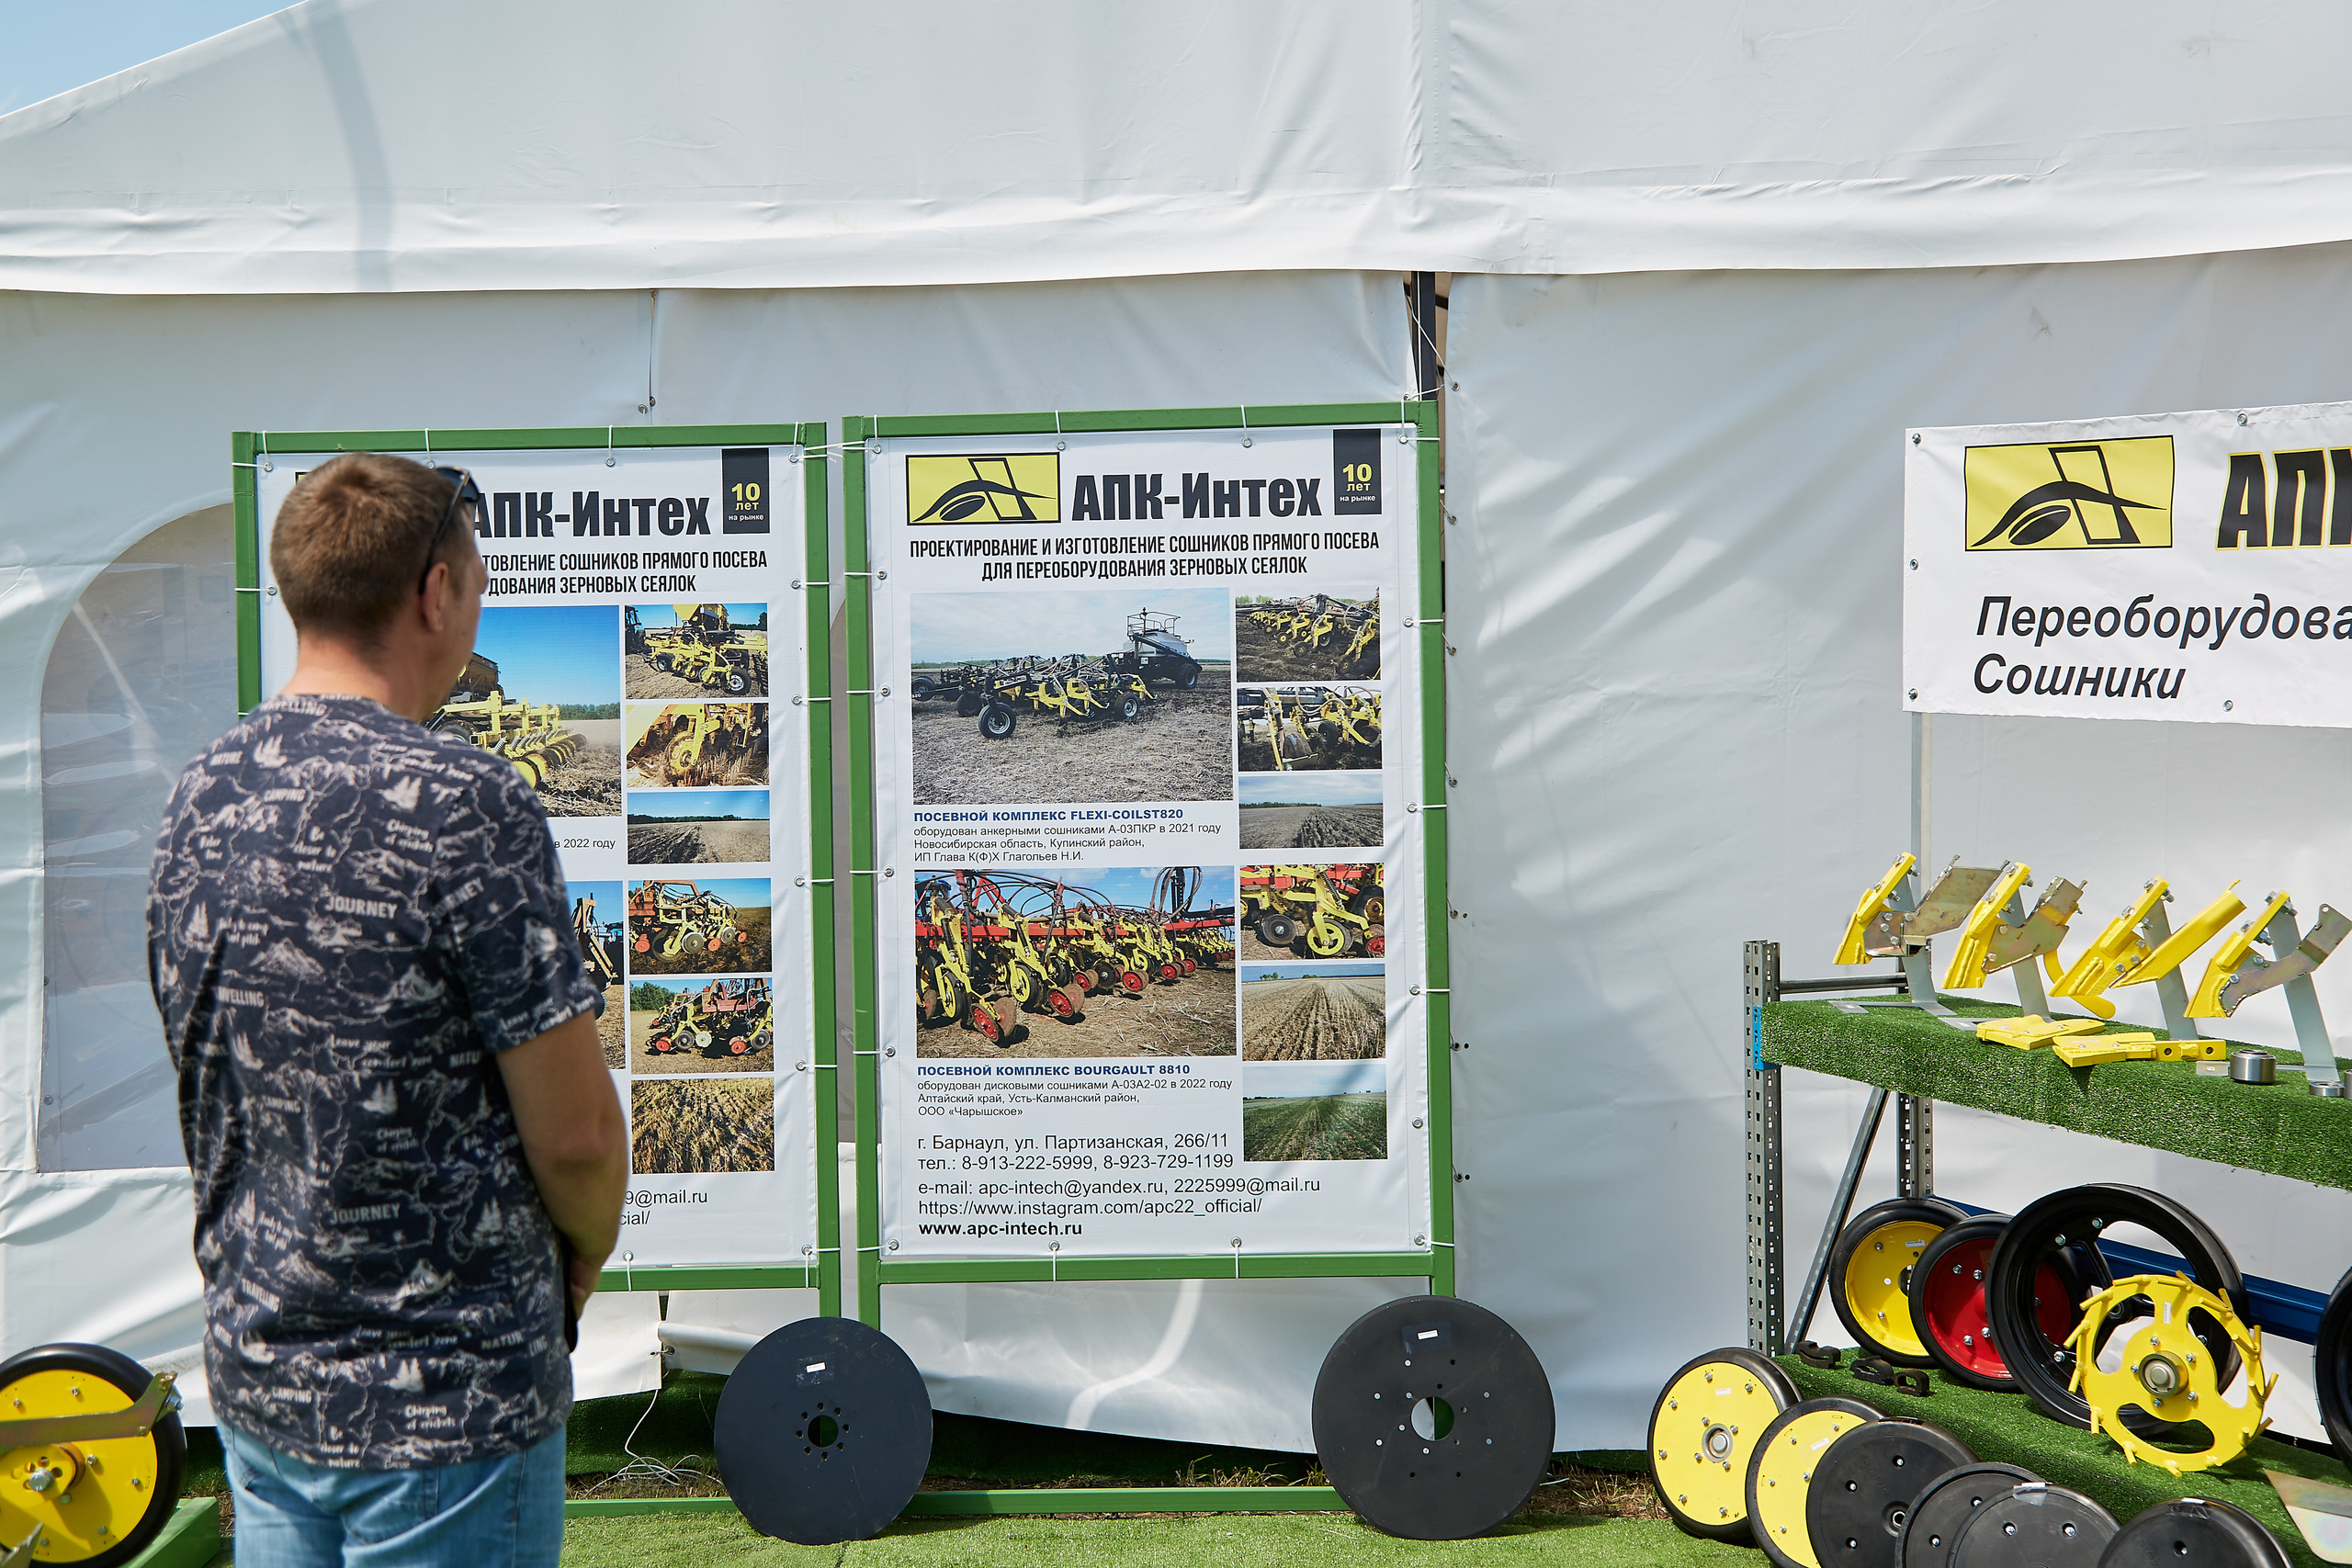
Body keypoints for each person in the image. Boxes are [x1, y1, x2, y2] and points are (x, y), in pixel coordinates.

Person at [146, 455, 628, 1567]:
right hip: (448, 1398)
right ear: (435, 592)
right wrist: (585, 1252)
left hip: (264, 1370)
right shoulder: (465, 801)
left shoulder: (202, 792)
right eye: (479, 580)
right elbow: (577, 1138)